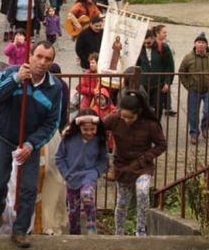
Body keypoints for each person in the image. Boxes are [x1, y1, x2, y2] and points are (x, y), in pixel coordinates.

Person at [0, 41, 63, 248]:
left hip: (29, 143)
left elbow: (52, 123)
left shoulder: (55, 88)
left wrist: (31, 144)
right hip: (4, 136)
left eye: (48, 59)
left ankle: (21, 231)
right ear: (30, 55)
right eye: (38, 56)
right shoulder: (10, 72)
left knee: (28, 189)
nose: (42, 62)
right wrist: (16, 79)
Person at [104, 90, 166, 236]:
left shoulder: (150, 125)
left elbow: (161, 145)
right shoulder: (115, 119)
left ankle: (140, 229)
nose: (126, 120)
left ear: (138, 113)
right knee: (122, 202)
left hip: (142, 166)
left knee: (143, 191)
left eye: (130, 117)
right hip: (123, 167)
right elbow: (98, 125)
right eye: (123, 116)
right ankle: (119, 232)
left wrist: (145, 158)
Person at [55, 109, 107, 235]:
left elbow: (104, 160)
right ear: (79, 128)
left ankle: (91, 226)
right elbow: (59, 157)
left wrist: (96, 172)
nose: (89, 133)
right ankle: (74, 234)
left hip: (89, 175)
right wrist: (66, 174)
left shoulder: (99, 140)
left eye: (92, 129)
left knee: (87, 195)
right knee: (73, 211)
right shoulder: (69, 138)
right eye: (86, 130)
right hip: (71, 178)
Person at [179, 32, 209, 144]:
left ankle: (205, 128)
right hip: (194, 90)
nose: (201, 45)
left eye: (203, 43)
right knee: (193, 113)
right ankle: (194, 133)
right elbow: (181, 72)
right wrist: (188, 85)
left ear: (206, 45)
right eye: (199, 42)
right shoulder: (188, 57)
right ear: (194, 44)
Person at [137, 29, 175, 119]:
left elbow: (169, 66)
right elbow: (137, 65)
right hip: (144, 83)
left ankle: (156, 124)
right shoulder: (140, 48)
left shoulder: (163, 47)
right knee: (144, 106)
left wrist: (167, 82)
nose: (146, 45)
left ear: (153, 39)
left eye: (149, 43)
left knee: (158, 106)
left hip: (159, 83)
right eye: (144, 43)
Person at [154, 24, 177, 116]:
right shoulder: (153, 44)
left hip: (165, 72)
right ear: (157, 33)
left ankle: (168, 108)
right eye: (164, 32)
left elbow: (172, 53)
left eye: (166, 32)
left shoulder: (167, 43)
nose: (166, 34)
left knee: (166, 89)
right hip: (158, 74)